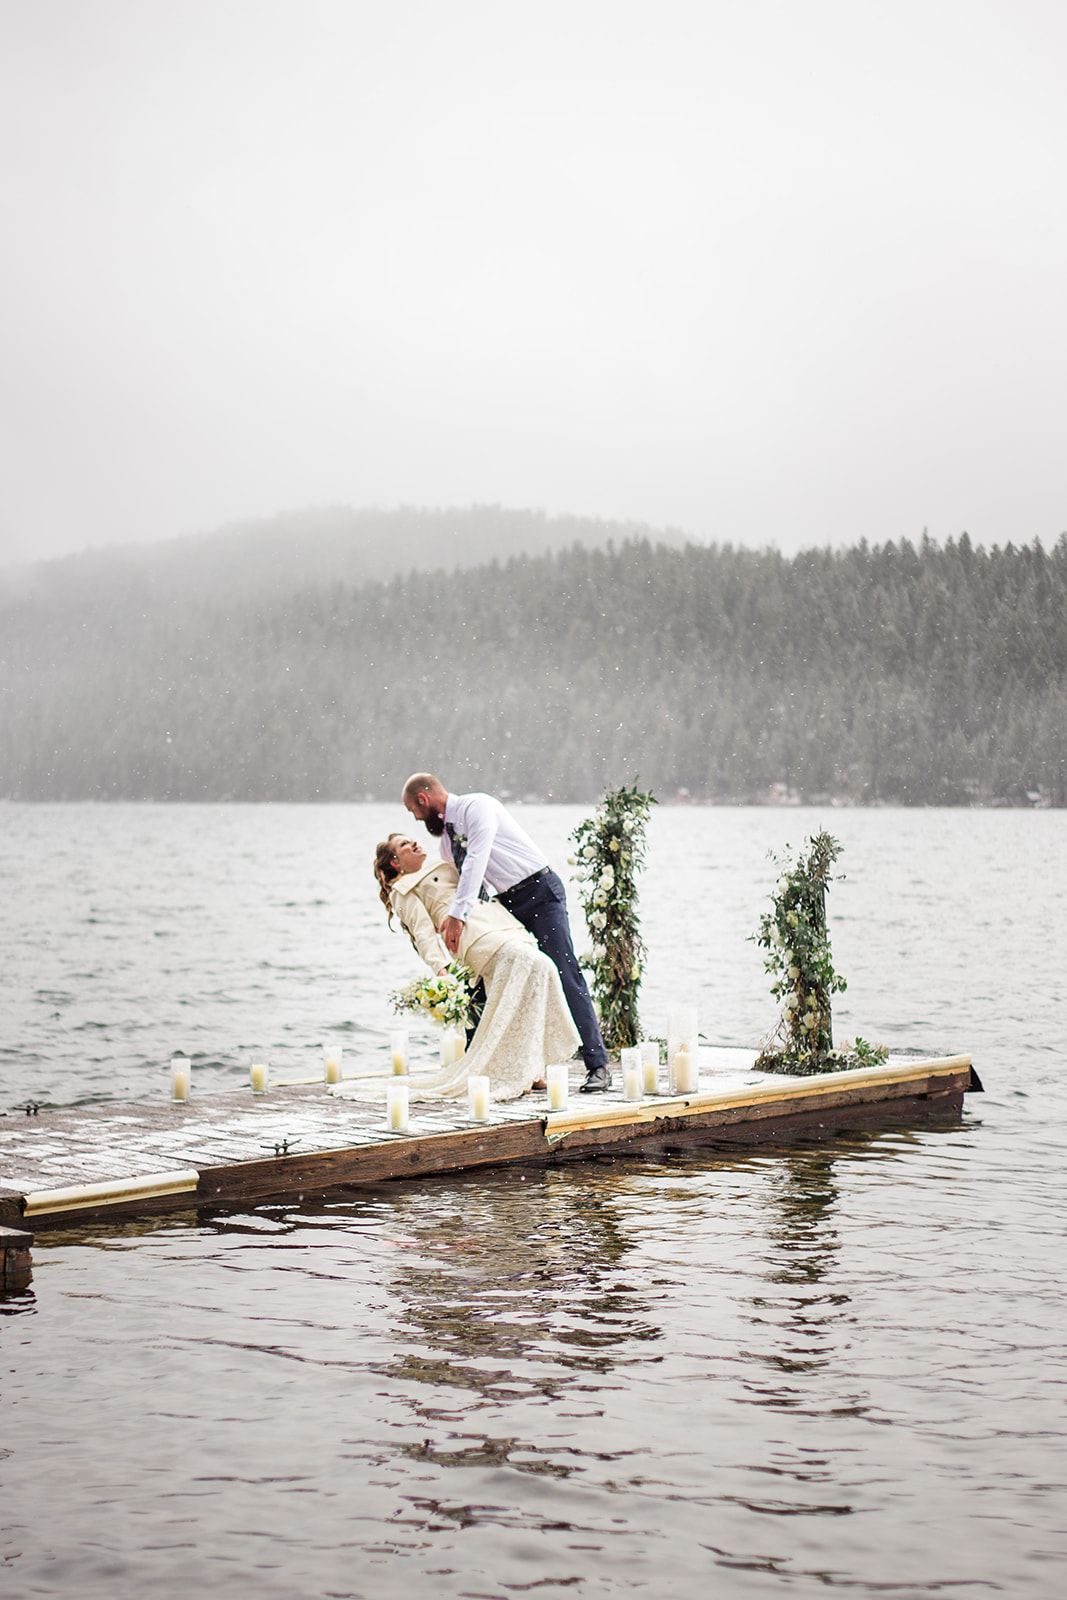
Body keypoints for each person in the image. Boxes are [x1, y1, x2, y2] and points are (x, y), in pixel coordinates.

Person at [401, 773, 611, 1092]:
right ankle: (481, 1066)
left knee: (565, 972)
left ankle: (598, 1065)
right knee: (484, 983)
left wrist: (458, 915)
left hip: (539, 890)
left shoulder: (478, 806)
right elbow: (474, 883)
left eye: (412, 810)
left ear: (423, 799)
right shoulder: (445, 844)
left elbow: (477, 858)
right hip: (506, 904)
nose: (415, 818)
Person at [374, 834, 578, 1101]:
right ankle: (516, 1073)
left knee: (537, 981)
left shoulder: (444, 863)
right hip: (474, 936)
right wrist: (442, 969)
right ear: (395, 862)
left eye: (412, 839)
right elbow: (423, 933)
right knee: (536, 965)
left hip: (502, 923)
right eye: (403, 845)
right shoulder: (404, 890)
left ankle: (531, 1070)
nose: (413, 843)